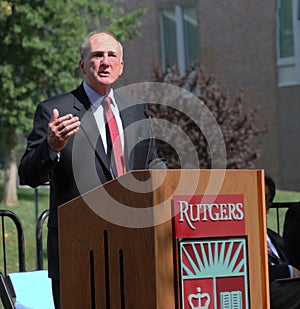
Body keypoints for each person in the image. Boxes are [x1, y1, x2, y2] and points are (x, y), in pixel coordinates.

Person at [18, 30, 163, 308]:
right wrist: (52, 147)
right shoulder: (55, 110)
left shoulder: (137, 110)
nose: (105, 62)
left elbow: (151, 161)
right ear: (83, 65)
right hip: (79, 249)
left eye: (112, 56)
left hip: (134, 246)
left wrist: (168, 178)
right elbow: (28, 174)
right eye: (97, 55)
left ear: (121, 66)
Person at [265, 175, 300, 309]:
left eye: (261, 198)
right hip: (267, 290)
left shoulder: (274, 238)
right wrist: (288, 271)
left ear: (268, 206)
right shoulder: (238, 240)